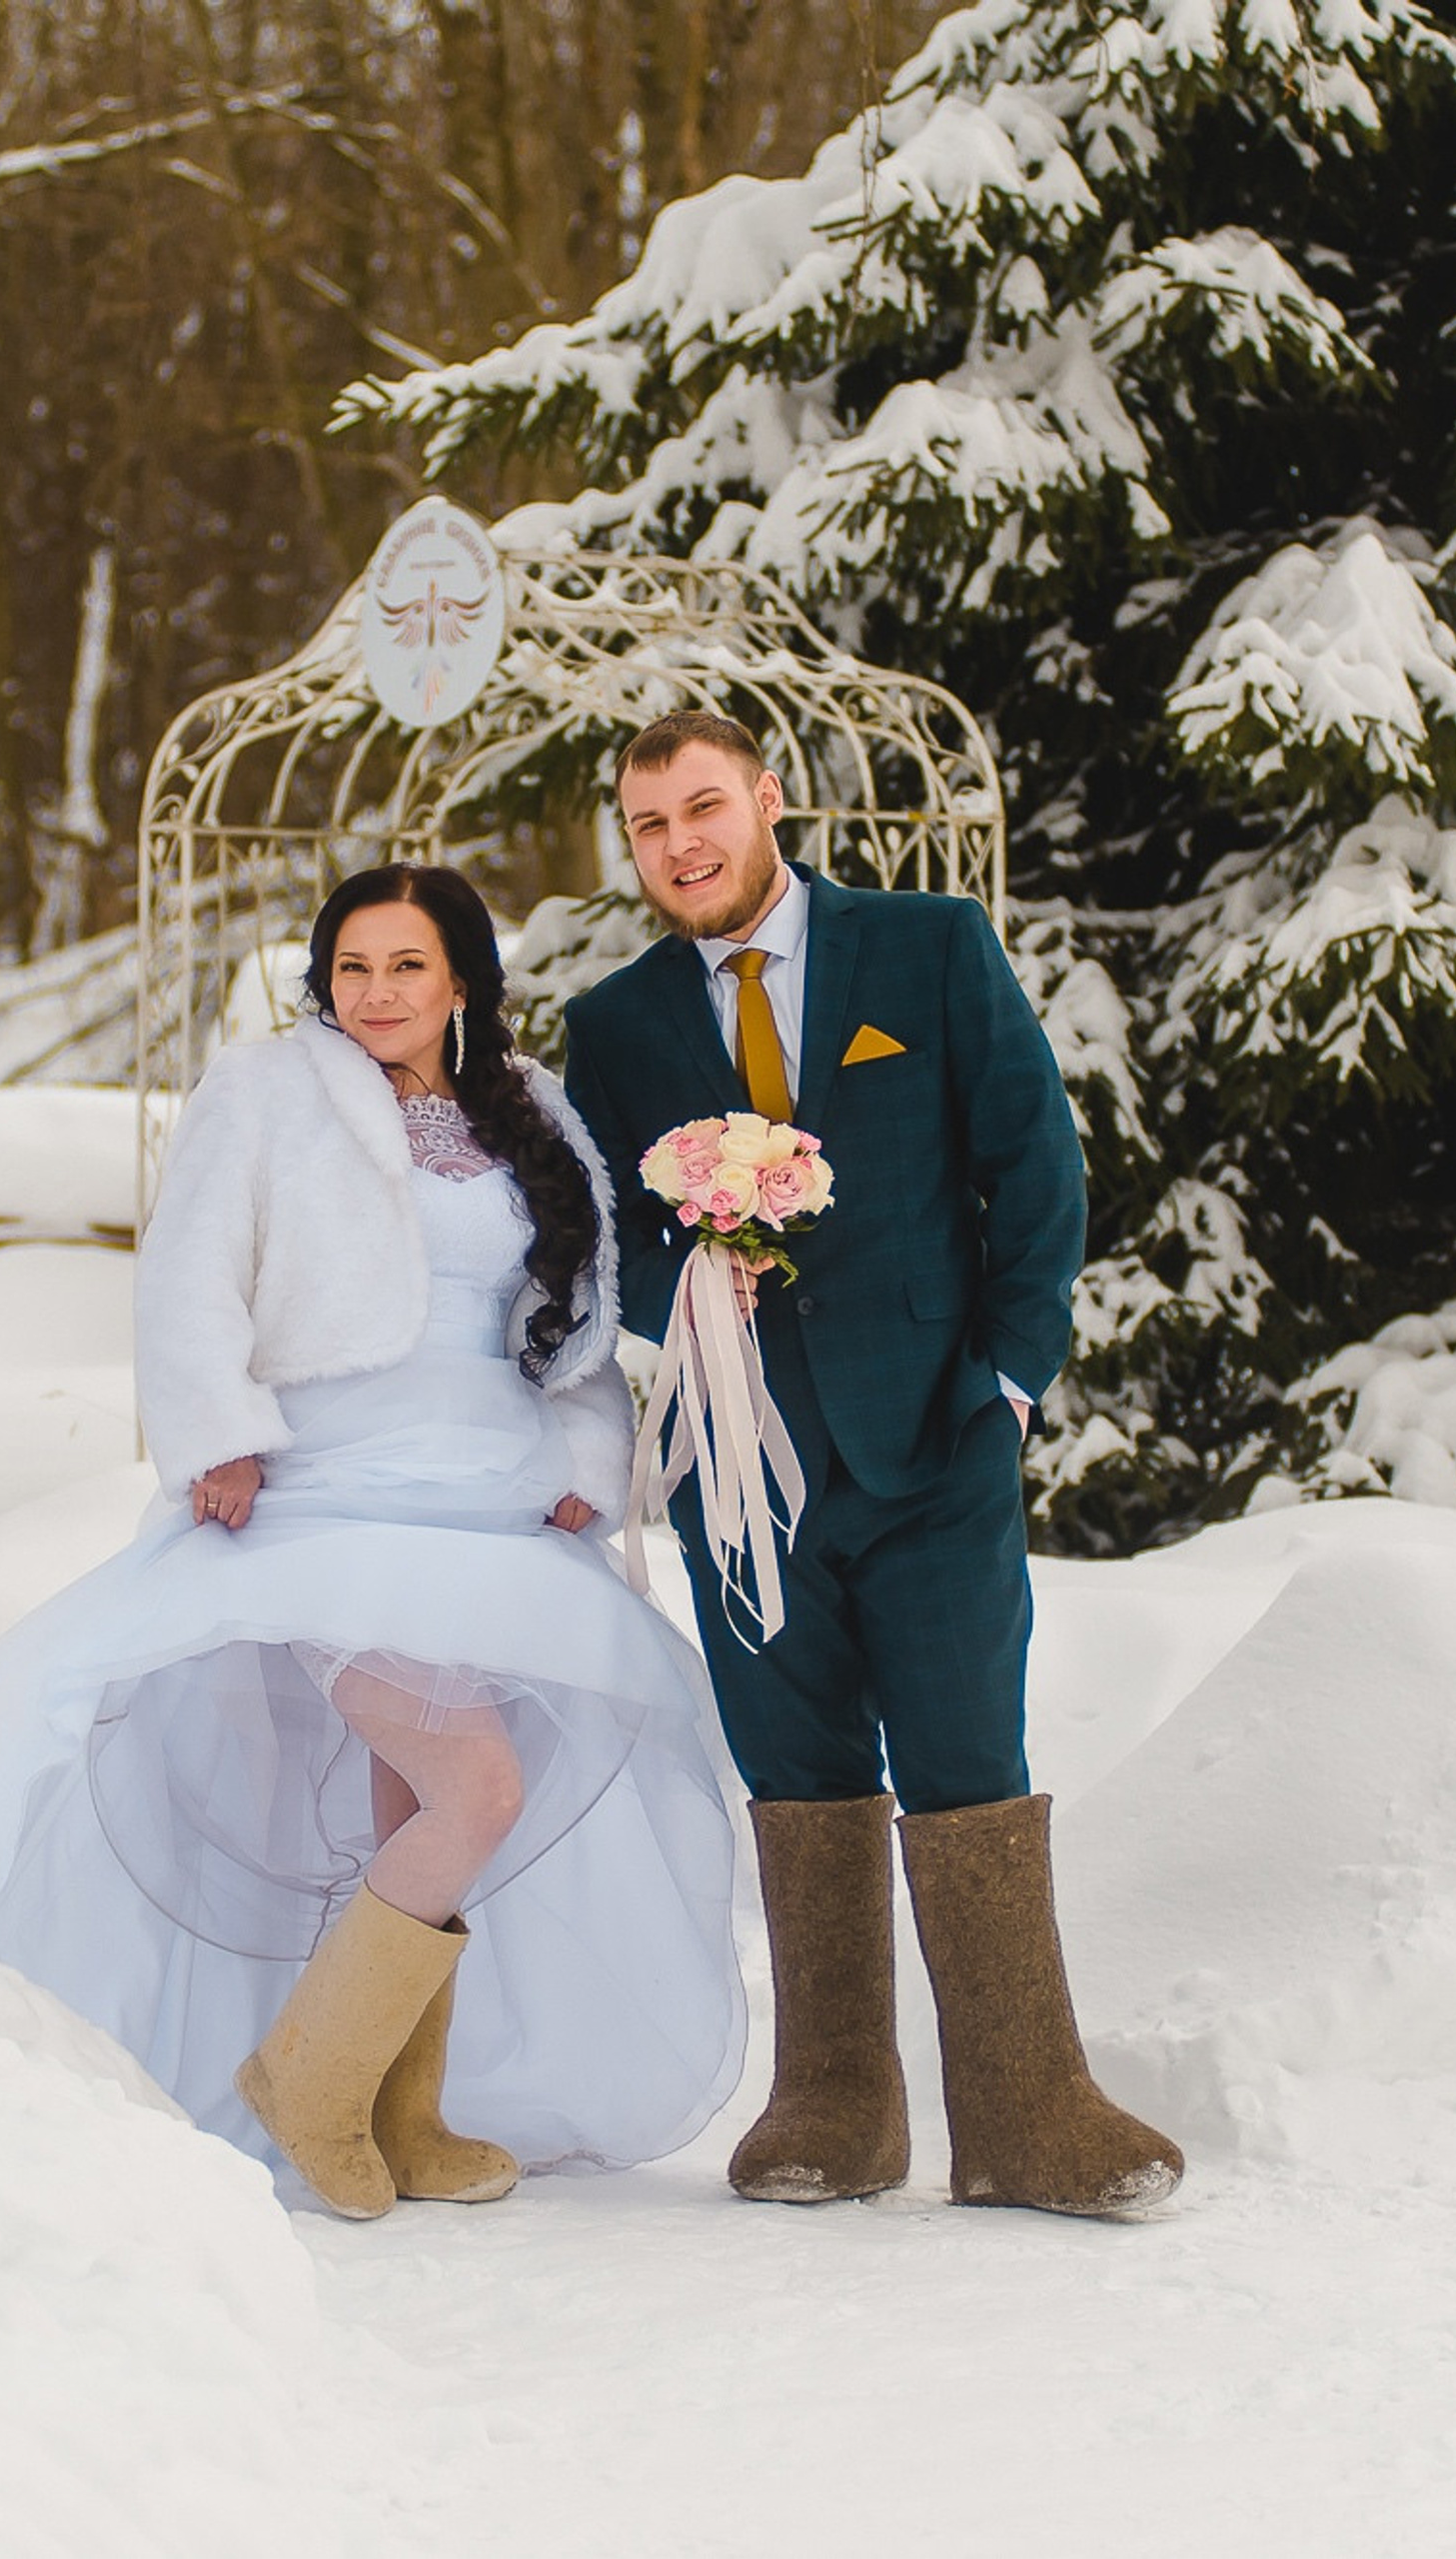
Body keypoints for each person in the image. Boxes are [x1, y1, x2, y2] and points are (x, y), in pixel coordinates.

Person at [0, 861, 743, 2219]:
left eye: (406, 966)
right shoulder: (265, 1092)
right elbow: (189, 1275)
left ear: (460, 979)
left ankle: (399, 2116)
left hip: (491, 1496)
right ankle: (308, 2075)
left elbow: (576, 1315)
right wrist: (217, 1430)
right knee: (474, 1785)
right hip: (330, 1490)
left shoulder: (528, 1110)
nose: (376, 994)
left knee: (417, 1807)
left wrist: (591, 1454)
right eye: (352, 967)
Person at [562, 709, 1183, 2218]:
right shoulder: (620, 1022)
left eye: (703, 808)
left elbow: (1032, 1158)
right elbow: (604, 1238)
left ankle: (1032, 2113)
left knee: (971, 1759)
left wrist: (1014, 1381)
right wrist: (694, 1290)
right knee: (801, 1766)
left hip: (939, 1440)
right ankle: (836, 2106)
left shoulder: (928, 947)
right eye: (649, 826)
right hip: (741, 1463)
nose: (680, 846)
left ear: (769, 800)